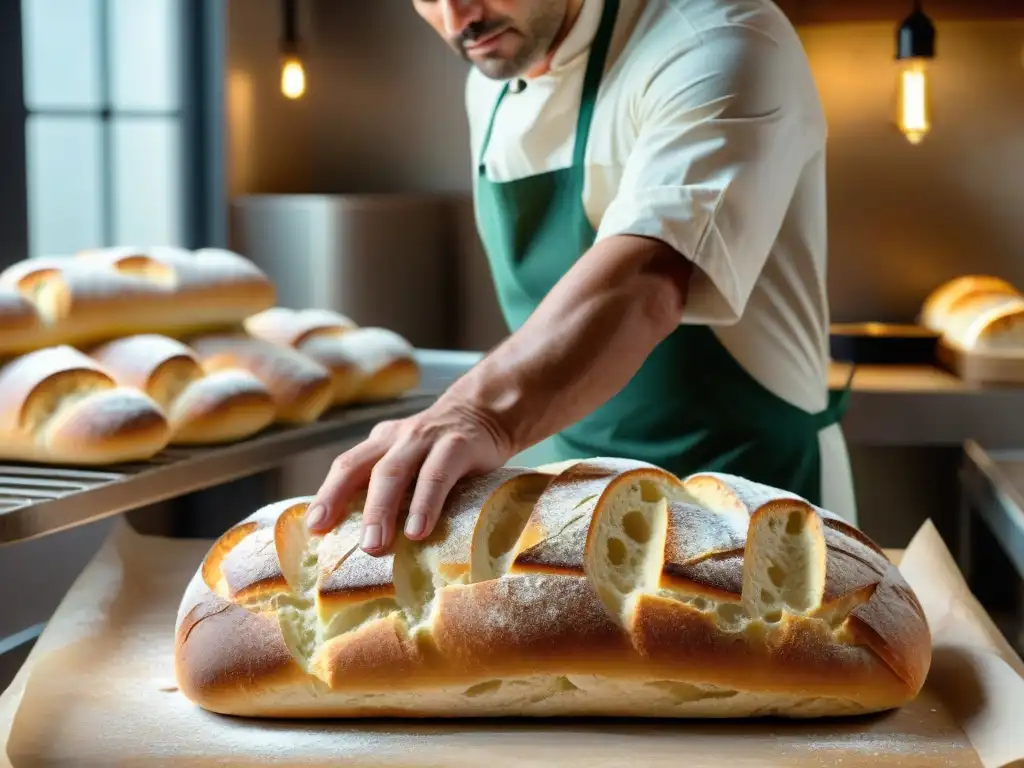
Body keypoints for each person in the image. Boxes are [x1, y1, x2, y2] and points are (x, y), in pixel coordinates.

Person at [304, 0, 856, 554]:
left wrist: (475, 414)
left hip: (748, 493)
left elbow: (647, 279)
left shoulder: (718, 36)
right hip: (568, 496)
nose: (456, 18)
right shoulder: (492, 76)